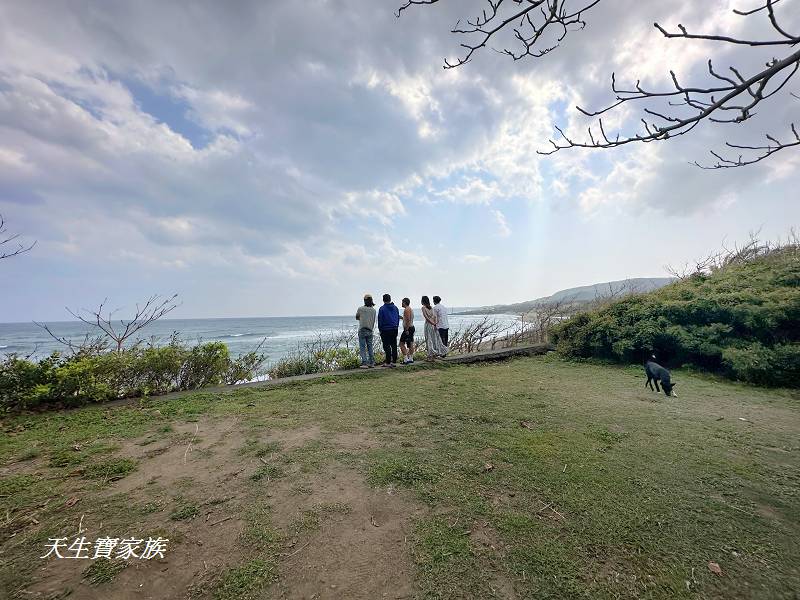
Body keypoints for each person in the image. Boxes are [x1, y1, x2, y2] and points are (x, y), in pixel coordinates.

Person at [377, 293, 400, 367]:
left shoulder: (382, 309)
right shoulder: (395, 308)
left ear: (383, 300)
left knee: (386, 346)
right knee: (394, 345)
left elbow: (380, 320)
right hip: (394, 328)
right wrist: (396, 326)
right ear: (390, 299)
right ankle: (394, 361)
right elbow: (397, 318)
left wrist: (380, 329)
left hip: (385, 329)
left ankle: (388, 362)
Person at [355, 294, 376, 368]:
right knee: (370, 347)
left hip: (362, 329)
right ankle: (372, 363)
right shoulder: (374, 310)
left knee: (362, 347)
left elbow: (357, 317)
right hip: (370, 330)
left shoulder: (360, 309)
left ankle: (364, 363)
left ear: (365, 300)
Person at [399, 297, 415, 364]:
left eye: (402, 302)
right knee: (410, 343)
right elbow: (407, 319)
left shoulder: (406, 309)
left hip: (408, 328)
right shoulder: (410, 309)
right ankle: (411, 358)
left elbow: (408, 320)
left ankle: (406, 359)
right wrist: (402, 318)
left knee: (401, 343)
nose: (401, 303)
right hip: (411, 327)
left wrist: (406, 329)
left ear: (405, 302)